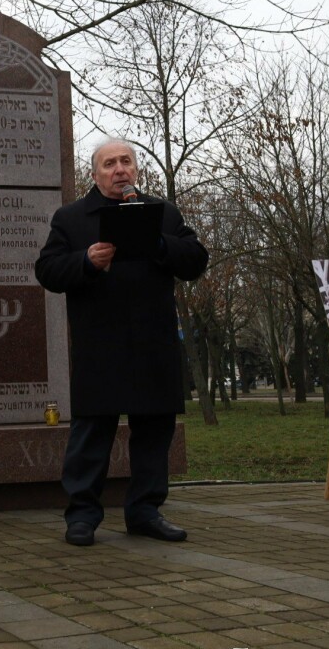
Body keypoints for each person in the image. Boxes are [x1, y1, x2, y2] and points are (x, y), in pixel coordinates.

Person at [35, 139, 208, 547]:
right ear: (95, 175)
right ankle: (81, 517)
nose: (119, 170)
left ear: (136, 169)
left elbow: (195, 259)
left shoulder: (163, 213)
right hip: (101, 345)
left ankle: (145, 512)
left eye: (126, 161)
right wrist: (85, 261)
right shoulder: (72, 217)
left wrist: (161, 244)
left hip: (153, 342)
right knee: (92, 435)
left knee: (153, 432)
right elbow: (47, 269)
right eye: (109, 163)